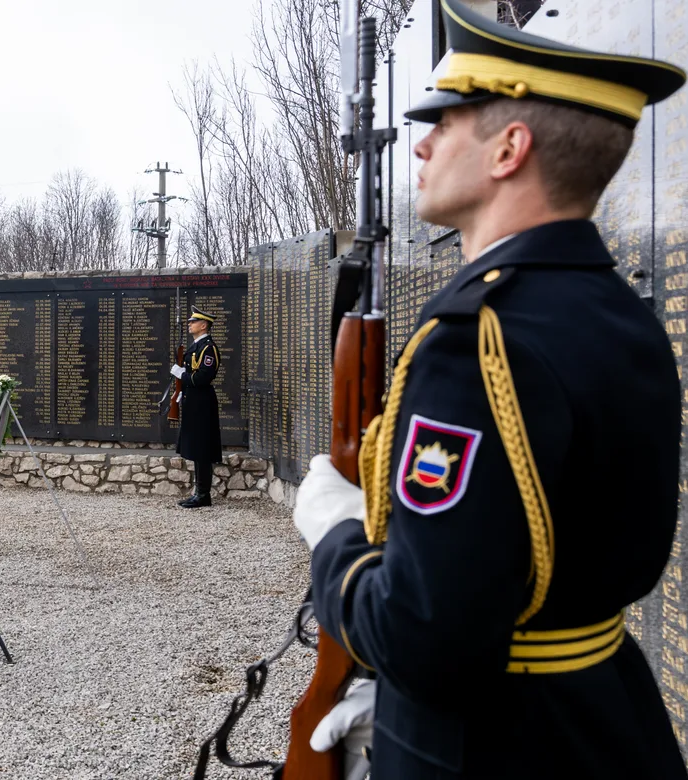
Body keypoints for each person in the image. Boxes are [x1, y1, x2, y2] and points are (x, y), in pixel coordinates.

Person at [292, 2, 687, 777]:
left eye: (446, 122)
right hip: (605, 718)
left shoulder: (476, 341)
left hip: (489, 743)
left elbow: (424, 638)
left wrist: (337, 534)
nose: (423, 143)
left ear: (509, 149)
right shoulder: (622, 314)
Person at [171, 307, 221, 508]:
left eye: (194, 321)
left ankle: (203, 495)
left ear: (203, 325)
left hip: (202, 402)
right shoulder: (197, 346)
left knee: (203, 449)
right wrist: (181, 390)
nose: (189, 324)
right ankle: (199, 492)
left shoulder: (208, 348)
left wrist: (181, 375)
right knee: (197, 448)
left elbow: (202, 377)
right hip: (193, 400)